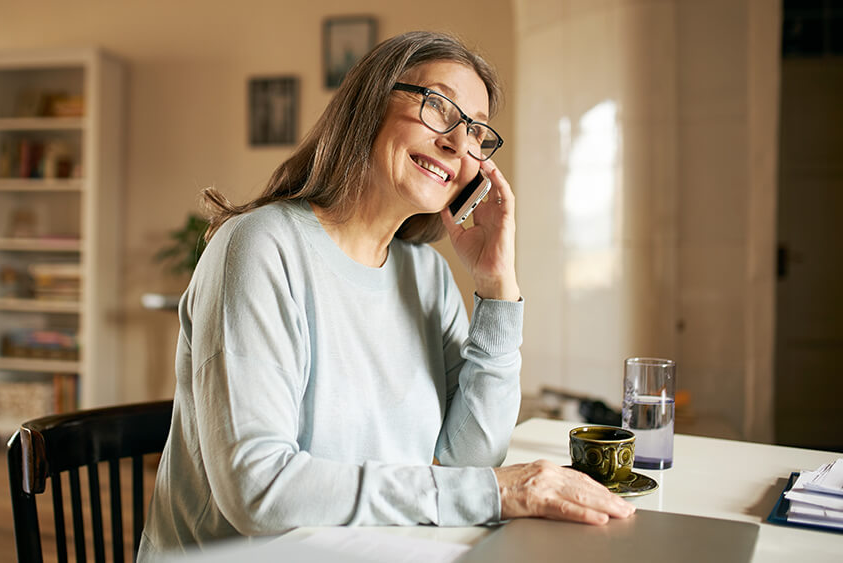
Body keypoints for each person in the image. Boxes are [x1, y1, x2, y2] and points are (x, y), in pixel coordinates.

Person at [138, 30, 634, 559]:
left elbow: (470, 460)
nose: (456, 143)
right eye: (439, 108)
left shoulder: (428, 276)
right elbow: (257, 491)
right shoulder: (260, 247)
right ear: (369, 103)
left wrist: (496, 288)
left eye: (476, 133)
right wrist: (499, 491)